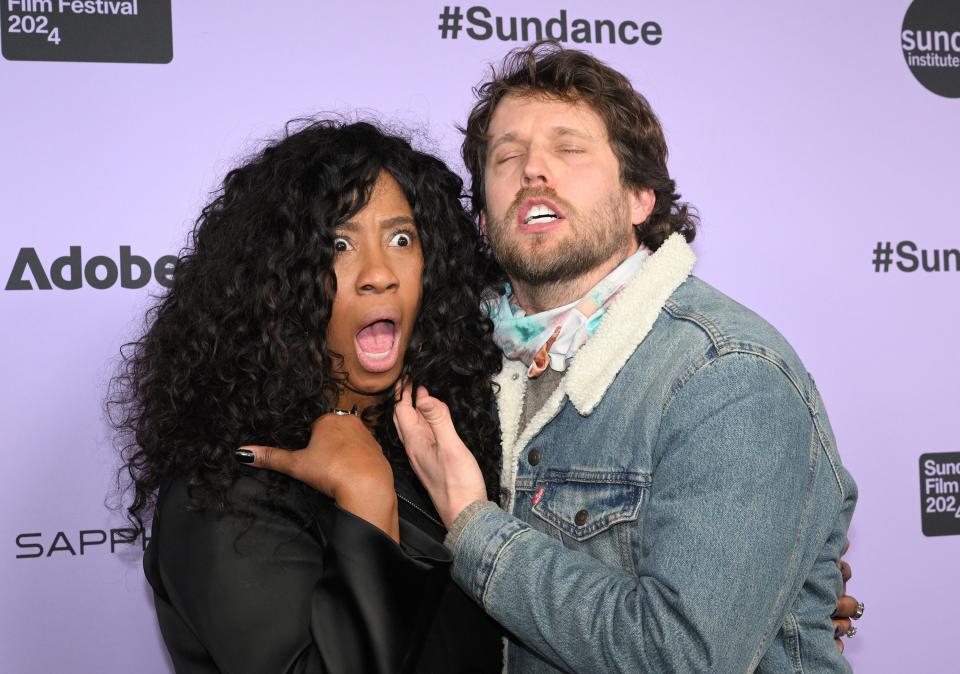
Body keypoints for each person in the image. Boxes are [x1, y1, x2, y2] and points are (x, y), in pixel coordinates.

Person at [394, 43, 863, 672]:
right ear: (482, 217)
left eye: (569, 148)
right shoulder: (458, 363)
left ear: (641, 196)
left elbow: (682, 655)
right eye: (505, 156)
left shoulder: (728, 374)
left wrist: (476, 529)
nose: (533, 169)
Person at [110, 120, 504, 673]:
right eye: (339, 245)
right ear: (276, 281)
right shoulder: (225, 490)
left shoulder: (439, 447)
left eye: (401, 239)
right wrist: (367, 497)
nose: (378, 275)